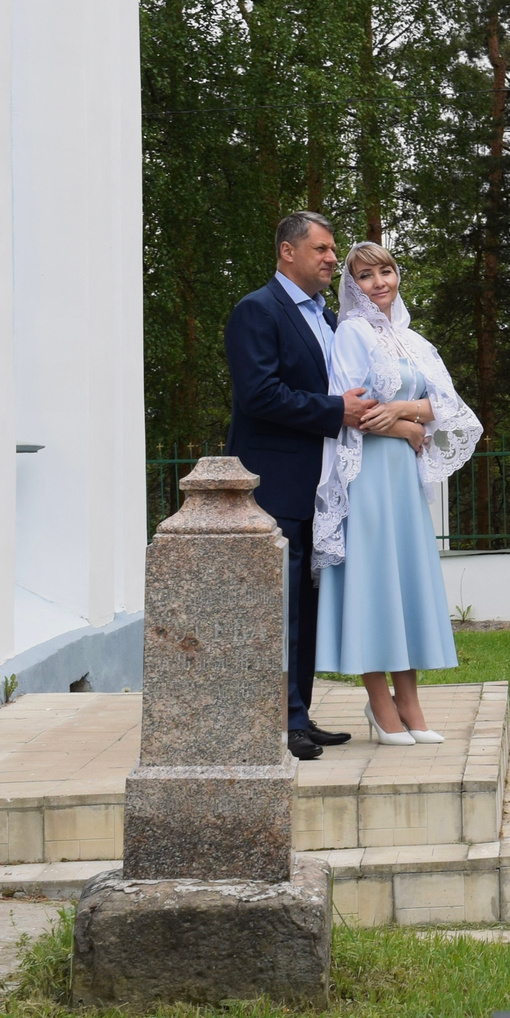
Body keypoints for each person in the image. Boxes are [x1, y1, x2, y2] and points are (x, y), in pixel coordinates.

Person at [312, 242, 482, 744]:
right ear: (353, 286)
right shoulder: (351, 334)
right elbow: (350, 409)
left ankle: (411, 707)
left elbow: (448, 408)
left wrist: (408, 419)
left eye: (385, 271)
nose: (379, 283)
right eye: (365, 276)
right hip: (365, 474)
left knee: (402, 586)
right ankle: (381, 706)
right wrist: (407, 426)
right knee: (372, 583)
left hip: (402, 479)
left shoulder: (415, 341)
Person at [225, 211, 374, 761]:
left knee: (308, 607)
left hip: (322, 489)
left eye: (333, 250)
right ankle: (280, 721)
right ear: (288, 252)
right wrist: (337, 411)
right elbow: (259, 395)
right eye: (322, 249)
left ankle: (300, 715)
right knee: (280, 609)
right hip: (276, 484)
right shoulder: (256, 311)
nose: (333, 259)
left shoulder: (329, 318)